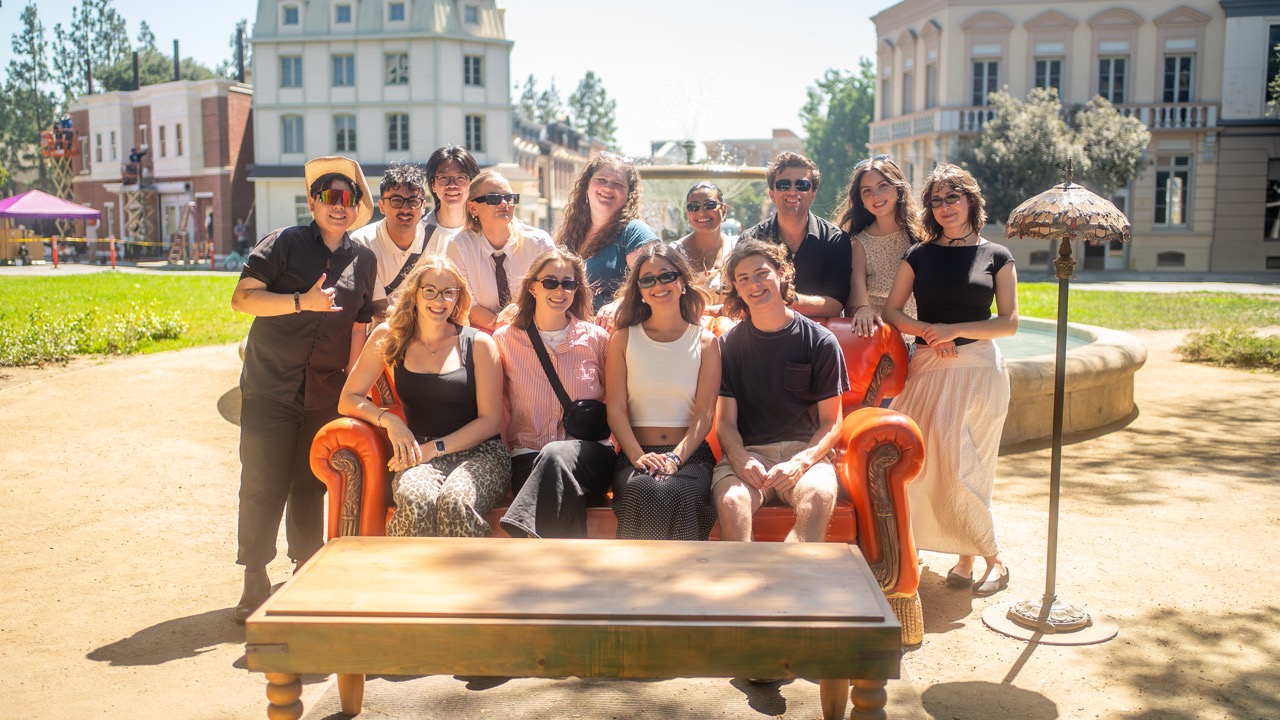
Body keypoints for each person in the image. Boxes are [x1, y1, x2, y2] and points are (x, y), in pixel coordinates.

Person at [228, 155, 378, 623]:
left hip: (324, 392)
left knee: (310, 486)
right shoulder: (284, 244)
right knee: (261, 483)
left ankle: (304, 571)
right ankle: (255, 574)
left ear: (356, 206)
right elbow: (242, 299)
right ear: (313, 202)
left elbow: (359, 324)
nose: (339, 206)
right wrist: (302, 302)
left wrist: (353, 385)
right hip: (270, 387)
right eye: (329, 197)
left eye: (348, 198)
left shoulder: (364, 259)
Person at [882, 163, 1018, 597]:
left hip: (979, 370)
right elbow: (893, 312)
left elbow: (1009, 323)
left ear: (970, 201)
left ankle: (987, 557)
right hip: (929, 366)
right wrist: (927, 331)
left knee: (968, 466)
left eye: (952, 198)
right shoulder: (918, 255)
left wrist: (953, 331)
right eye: (936, 200)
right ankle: (971, 553)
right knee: (921, 463)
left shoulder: (997, 255)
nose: (944, 207)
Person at [338, 256, 510, 538]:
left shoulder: (478, 343)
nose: (439, 300)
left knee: (456, 502)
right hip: (420, 455)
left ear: (458, 298)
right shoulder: (390, 337)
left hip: (481, 455)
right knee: (415, 499)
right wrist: (390, 422)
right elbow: (348, 399)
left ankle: (465, 581)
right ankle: (411, 581)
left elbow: (490, 422)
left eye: (448, 292)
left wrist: (434, 449)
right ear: (414, 293)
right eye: (430, 290)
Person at [712, 240, 849, 543]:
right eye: (744, 278)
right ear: (736, 286)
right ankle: (742, 585)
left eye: (762, 274)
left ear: (782, 272)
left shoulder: (820, 341)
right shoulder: (729, 345)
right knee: (733, 501)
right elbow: (724, 422)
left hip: (804, 451)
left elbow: (832, 423)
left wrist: (801, 462)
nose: (754, 284)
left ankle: (796, 579)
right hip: (749, 451)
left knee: (818, 496)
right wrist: (739, 458)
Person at [492, 248, 615, 538]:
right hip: (528, 457)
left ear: (577, 289)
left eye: (568, 283)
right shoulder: (505, 340)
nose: (560, 290)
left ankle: (523, 535)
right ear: (533, 287)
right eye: (550, 282)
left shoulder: (597, 339)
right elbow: (501, 408)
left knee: (556, 453)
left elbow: (616, 401)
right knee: (554, 468)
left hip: (591, 456)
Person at [605, 243, 721, 540]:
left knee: (674, 489)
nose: (658, 285)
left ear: (682, 282)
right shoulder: (622, 339)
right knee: (642, 487)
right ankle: (639, 580)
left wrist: (676, 459)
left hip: (691, 456)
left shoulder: (707, 343)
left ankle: (680, 580)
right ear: (640, 291)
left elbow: (704, 415)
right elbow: (616, 410)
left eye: (666, 276)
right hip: (636, 454)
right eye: (648, 279)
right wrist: (637, 456)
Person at [740, 151, 851, 319]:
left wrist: (780, 297)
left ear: (813, 194)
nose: (793, 191)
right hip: (762, 335)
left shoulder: (835, 240)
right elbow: (740, 295)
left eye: (802, 185)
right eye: (784, 185)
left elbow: (834, 305)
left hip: (816, 339)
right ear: (772, 194)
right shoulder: (750, 240)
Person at [446, 170, 554, 333]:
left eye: (509, 198)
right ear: (472, 207)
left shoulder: (539, 243)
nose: (504, 203)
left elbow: (553, 295)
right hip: (482, 334)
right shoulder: (459, 245)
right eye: (494, 198)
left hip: (535, 330)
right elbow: (466, 304)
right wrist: (502, 329)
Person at [555, 153, 658, 318]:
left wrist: (620, 303)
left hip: (614, 333)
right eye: (601, 180)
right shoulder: (570, 232)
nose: (608, 188)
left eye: (618, 184)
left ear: (629, 195)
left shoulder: (635, 232)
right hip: (569, 333)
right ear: (586, 185)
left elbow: (658, 284)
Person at [835, 154, 922, 330]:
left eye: (883, 186)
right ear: (861, 200)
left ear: (898, 188)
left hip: (930, 342)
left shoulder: (926, 231)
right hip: (886, 346)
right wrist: (862, 310)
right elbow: (855, 307)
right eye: (867, 190)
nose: (876, 196)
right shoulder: (859, 245)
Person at [349, 161, 434, 319]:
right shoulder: (361, 242)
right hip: (382, 334)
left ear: (423, 207)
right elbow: (378, 305)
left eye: (413, 202)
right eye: (396, 201)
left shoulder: (440, 239)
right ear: (381, 205)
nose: (405, 209)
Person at [670, 181, 737, 305]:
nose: (701, 212)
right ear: (687, 212)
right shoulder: (674, 253)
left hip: (732, 324)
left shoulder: (738, 248)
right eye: (693, 206)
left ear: (724, 208)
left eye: (709, 205)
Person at [423, 144, 479, 251]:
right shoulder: (420, 232)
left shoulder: (484, 231)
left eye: (460, 177)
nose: (452, 185)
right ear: (433, 184)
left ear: (472, 183)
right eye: (443, 177)